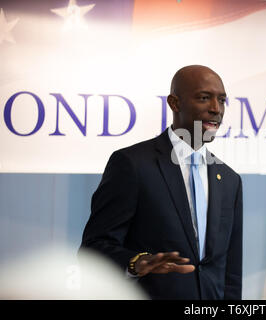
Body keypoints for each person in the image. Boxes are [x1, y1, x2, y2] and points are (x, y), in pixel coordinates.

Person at [79, 65, 243, 300]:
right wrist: (136, 262)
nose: (216, 109)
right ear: (175, 103)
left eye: (222, 100)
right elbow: (93, 248)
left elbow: (231, 273)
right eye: (204, 98)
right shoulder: (132, 164)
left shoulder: (229, 180)